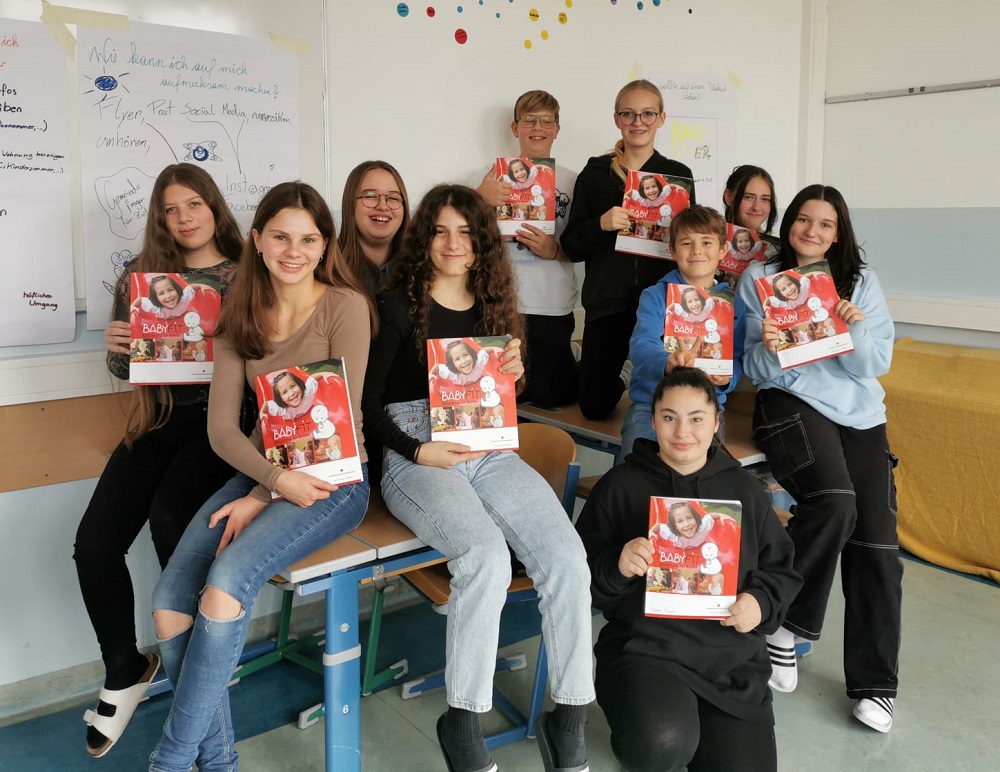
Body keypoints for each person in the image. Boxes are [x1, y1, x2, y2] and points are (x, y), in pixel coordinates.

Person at [362, 184, 595, 772]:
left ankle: (569, 716)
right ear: (423, 238)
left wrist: (514, 374)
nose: (453, 243)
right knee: (486, 556)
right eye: (440, 231)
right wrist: (416, 451)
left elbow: (502, 392)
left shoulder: (495, 302)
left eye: (466, 232)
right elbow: (365, 407)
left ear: (482, 242)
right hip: (416, 448)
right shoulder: (395, 306)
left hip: (489, 446)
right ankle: (462, 720)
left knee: (568, 556)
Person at [147, 182, 374, 771]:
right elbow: (222, 430)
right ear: (257, 239)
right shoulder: (239, 314)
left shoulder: (345, 306)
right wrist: (267, 484)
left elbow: (334, 422)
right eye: (280, 237)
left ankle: (171, 760)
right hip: (269, 473)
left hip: (333, 479)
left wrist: (261, 490)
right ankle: (218, 761)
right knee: (170, 601)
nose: (293, 251)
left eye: (308, 239)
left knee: (224, 587)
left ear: (325, 245)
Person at [73, 163, 243, 759]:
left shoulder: (246, 273)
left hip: (221, 425)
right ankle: (125, 666)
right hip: (161, 419)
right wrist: (116, 347)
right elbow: (128, 370)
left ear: (214, 206)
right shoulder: (140, 276)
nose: (183, 218)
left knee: (171, 521)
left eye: (193, 204)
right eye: (170, 209)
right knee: (94, 544)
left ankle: (200, 681)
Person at [576, 368, 801, 772]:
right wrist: (617, 565)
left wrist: (760, 603)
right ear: (653, 420)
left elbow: (782, 570)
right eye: (669, 417)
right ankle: (660, 731)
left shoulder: (744, 490)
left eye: (696, 418)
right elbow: (579, 577)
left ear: (716, 422)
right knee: (661, 744)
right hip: (645, 650)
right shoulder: (620, 486)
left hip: (731, 658)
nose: (683, 431)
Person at [736, 184, 901, 733]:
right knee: (834, 501)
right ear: (790, 224)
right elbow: (754, 367)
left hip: (860, 412)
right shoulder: (761, 278)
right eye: (803, 219)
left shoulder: (862, 282)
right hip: (791, 400)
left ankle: (876, 686)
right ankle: (787, 625)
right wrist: (772, 346)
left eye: (825, 224)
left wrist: (853, 329)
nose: (812, 231)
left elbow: (873, 366)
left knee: (877, 541)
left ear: (838, 233)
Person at [561, 79, 696, 420]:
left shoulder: (678, 176)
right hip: (608, 301)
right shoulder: (595, 173)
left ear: (661, 118)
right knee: (594, 407)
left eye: (647, 114)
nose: (638, 122)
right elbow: (572, 247)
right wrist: (601, 224)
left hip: (662, 302)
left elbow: (692, 243)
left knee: (671, 401)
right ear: (617, 119)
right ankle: (625, 371)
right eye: (628, 114)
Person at [474, 90, 580, 409]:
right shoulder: (490, 177)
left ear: (557, 129)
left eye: (546, 121)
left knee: (552, 397)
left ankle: (576, 359)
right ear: (515, 127)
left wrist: (555, 249)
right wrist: (480, 198)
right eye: (529, 120)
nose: (537, 127)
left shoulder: (574, 181)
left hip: (552, 303)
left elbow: (584, 244)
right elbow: (462, 233)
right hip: (500, 300)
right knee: (506, 398)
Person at [620, 206, 745, 460]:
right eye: (687, 243)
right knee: (633, 474)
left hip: (705, 408)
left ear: (723, 250)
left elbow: (738, 357)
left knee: (702, 477)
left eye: (706, 242)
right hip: (652, 406)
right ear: (673, 250)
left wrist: (726, 379)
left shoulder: (734, 305)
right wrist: (667, 362)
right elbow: (642, 346)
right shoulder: (655, 296)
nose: (697, 250)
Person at [338, 159, 411, 298]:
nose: (383, 206)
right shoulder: (327, 269)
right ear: (350, 204)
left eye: (393, 198)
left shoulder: (423, 271)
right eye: (370, 196)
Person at [723, 165, 778, 237]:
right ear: (728, 197)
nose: (756, 207)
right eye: (748, 197)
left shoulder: (780, 242)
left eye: (765, 199)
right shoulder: (711, 239)